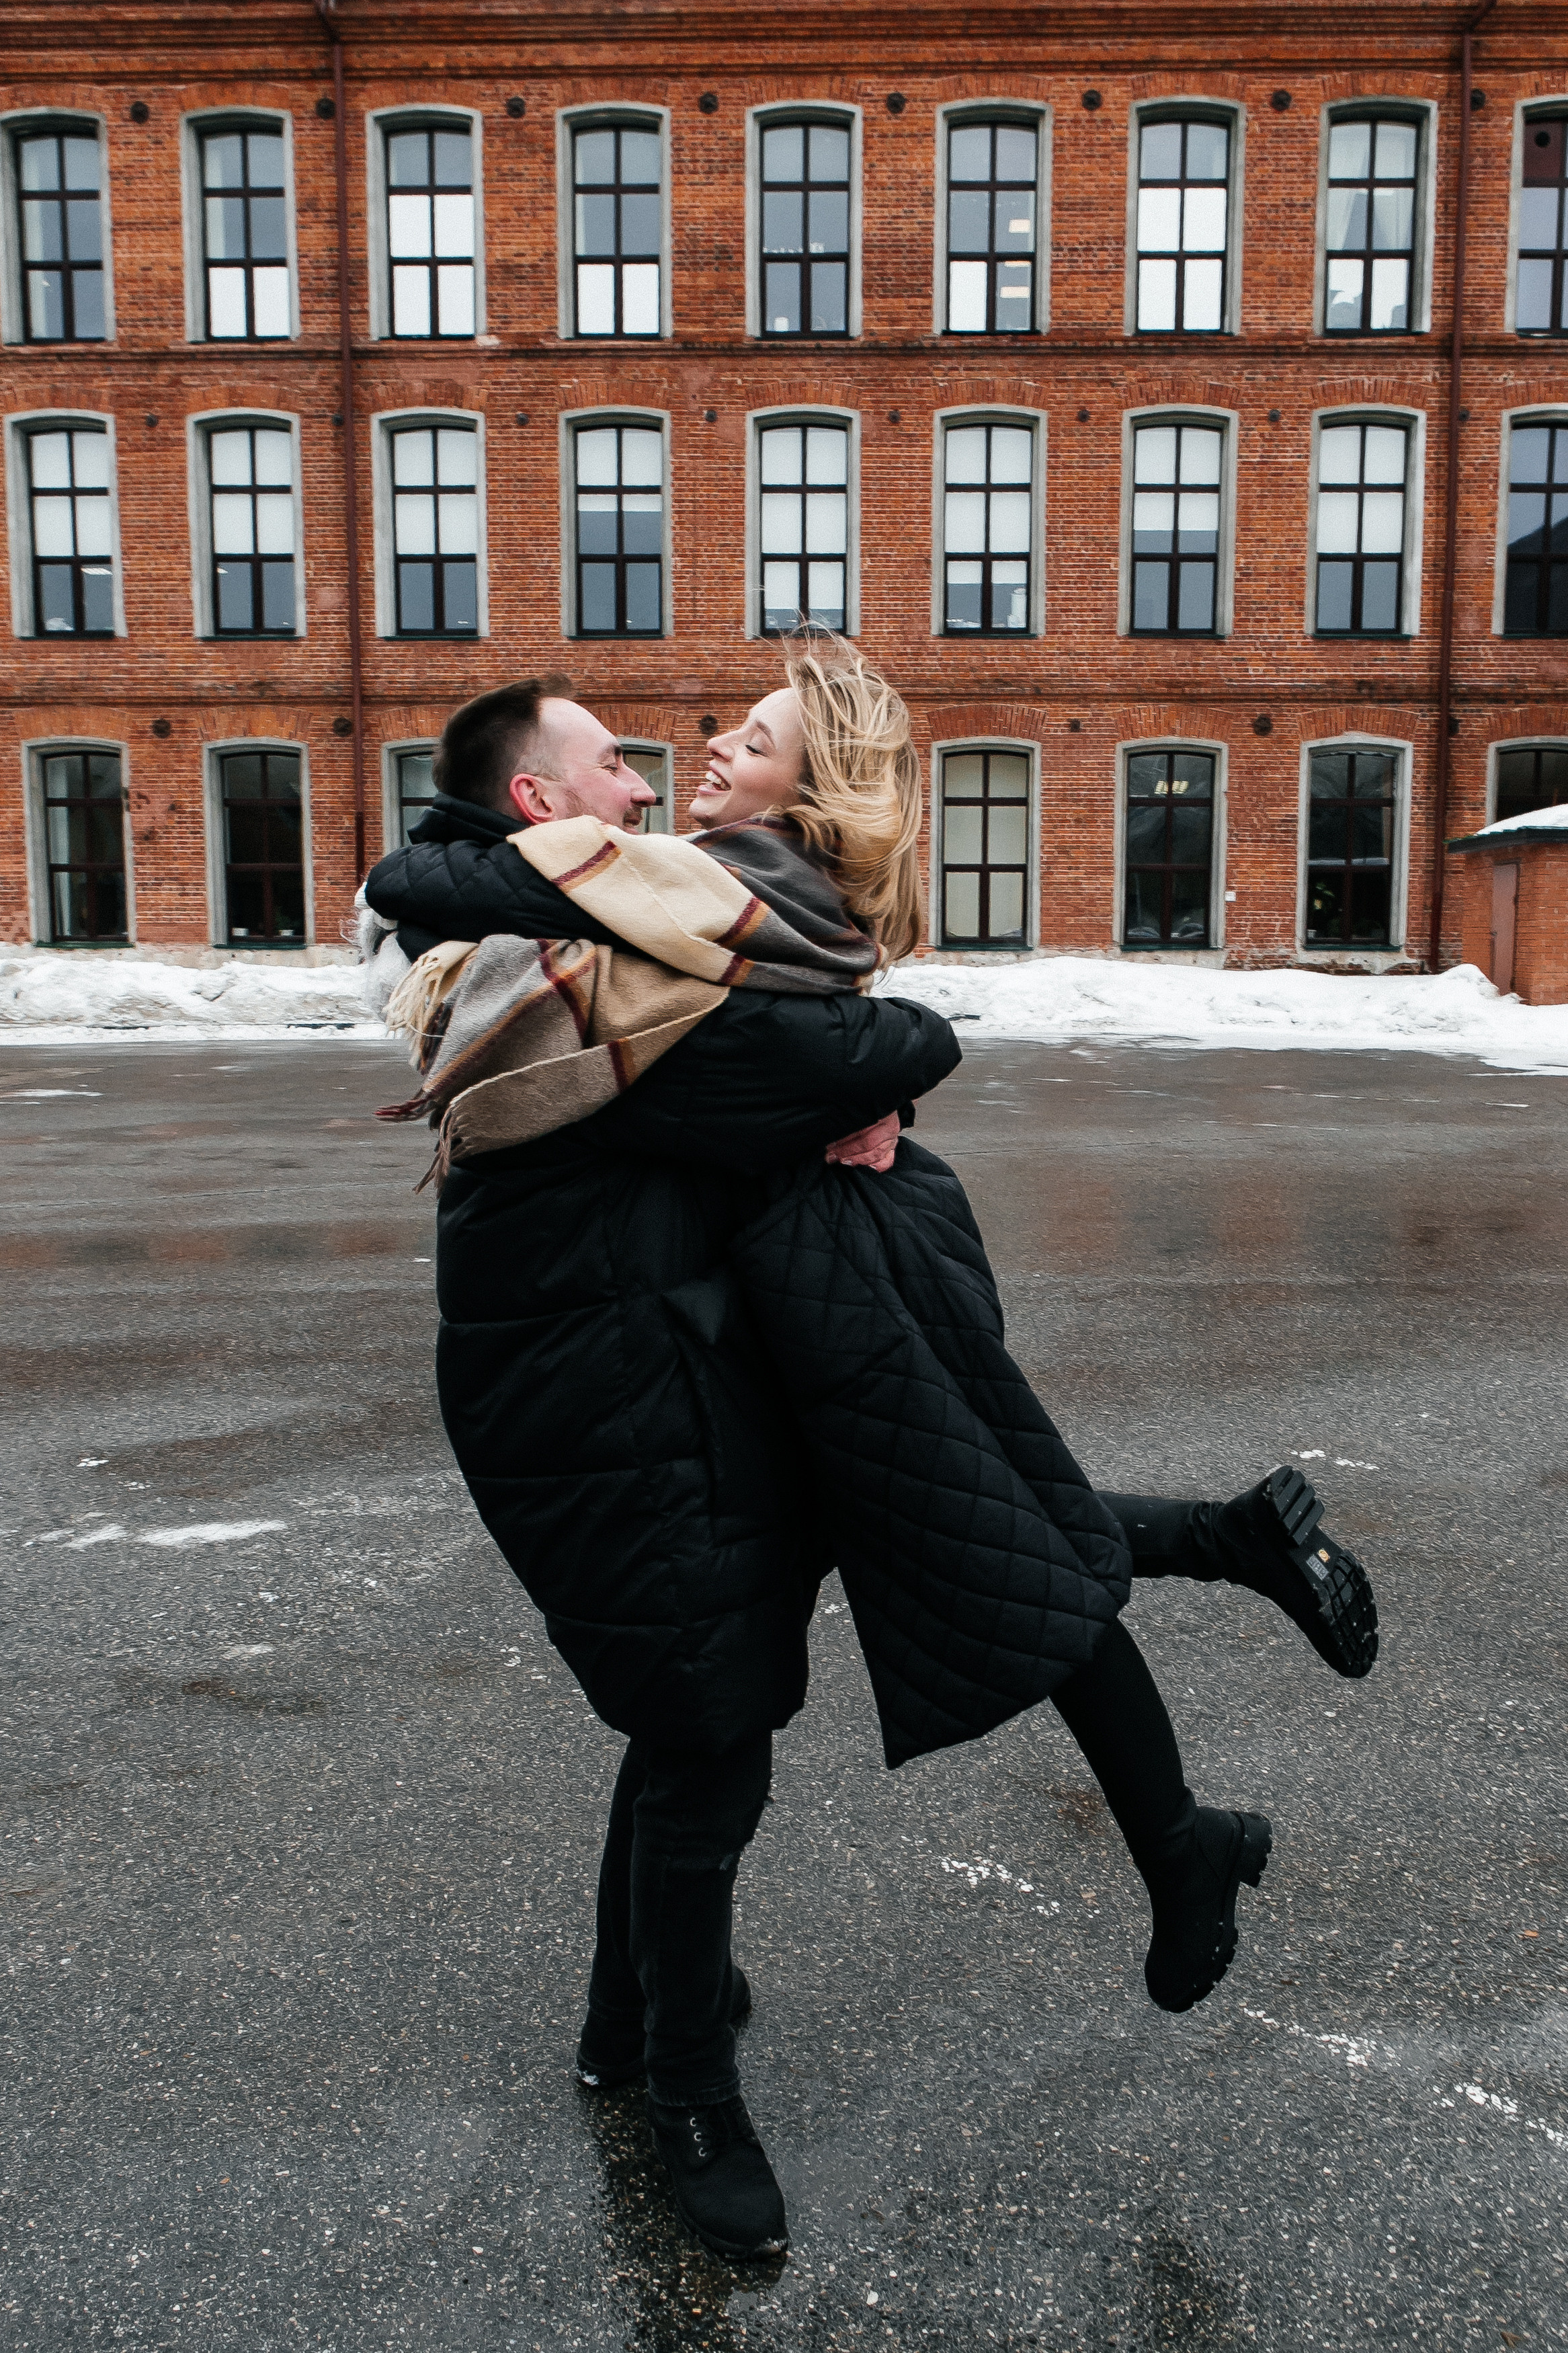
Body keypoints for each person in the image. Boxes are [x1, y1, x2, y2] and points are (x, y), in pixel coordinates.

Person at [362, 650, 1377, 2264]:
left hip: (696, 1357)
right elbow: (785, 1066)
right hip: (605, 1402)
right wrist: (898, 1047)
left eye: (732, 739)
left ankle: (638, 2025)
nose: (664, 766)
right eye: (616, 763)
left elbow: (795, 1056)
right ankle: (687, 2083)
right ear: (543, 807)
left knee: (902, 1549)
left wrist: (877, 1053)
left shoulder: (685, 919)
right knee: (722, 1720)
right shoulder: (569, 948)